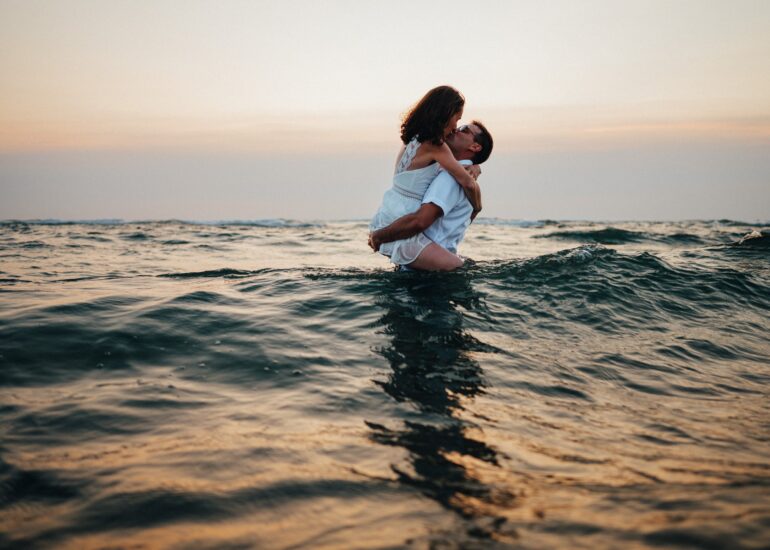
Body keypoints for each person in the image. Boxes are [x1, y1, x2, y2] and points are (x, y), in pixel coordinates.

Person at [369, 86, 483, 269]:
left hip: (389, 215)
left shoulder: (413, 139)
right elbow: (467, 182)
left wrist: (476, 166)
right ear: (446, 113)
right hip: (404, 225)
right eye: (457, 118)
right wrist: (477, 207)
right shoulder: (436, 145)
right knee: (458, 267)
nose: (455, 127)